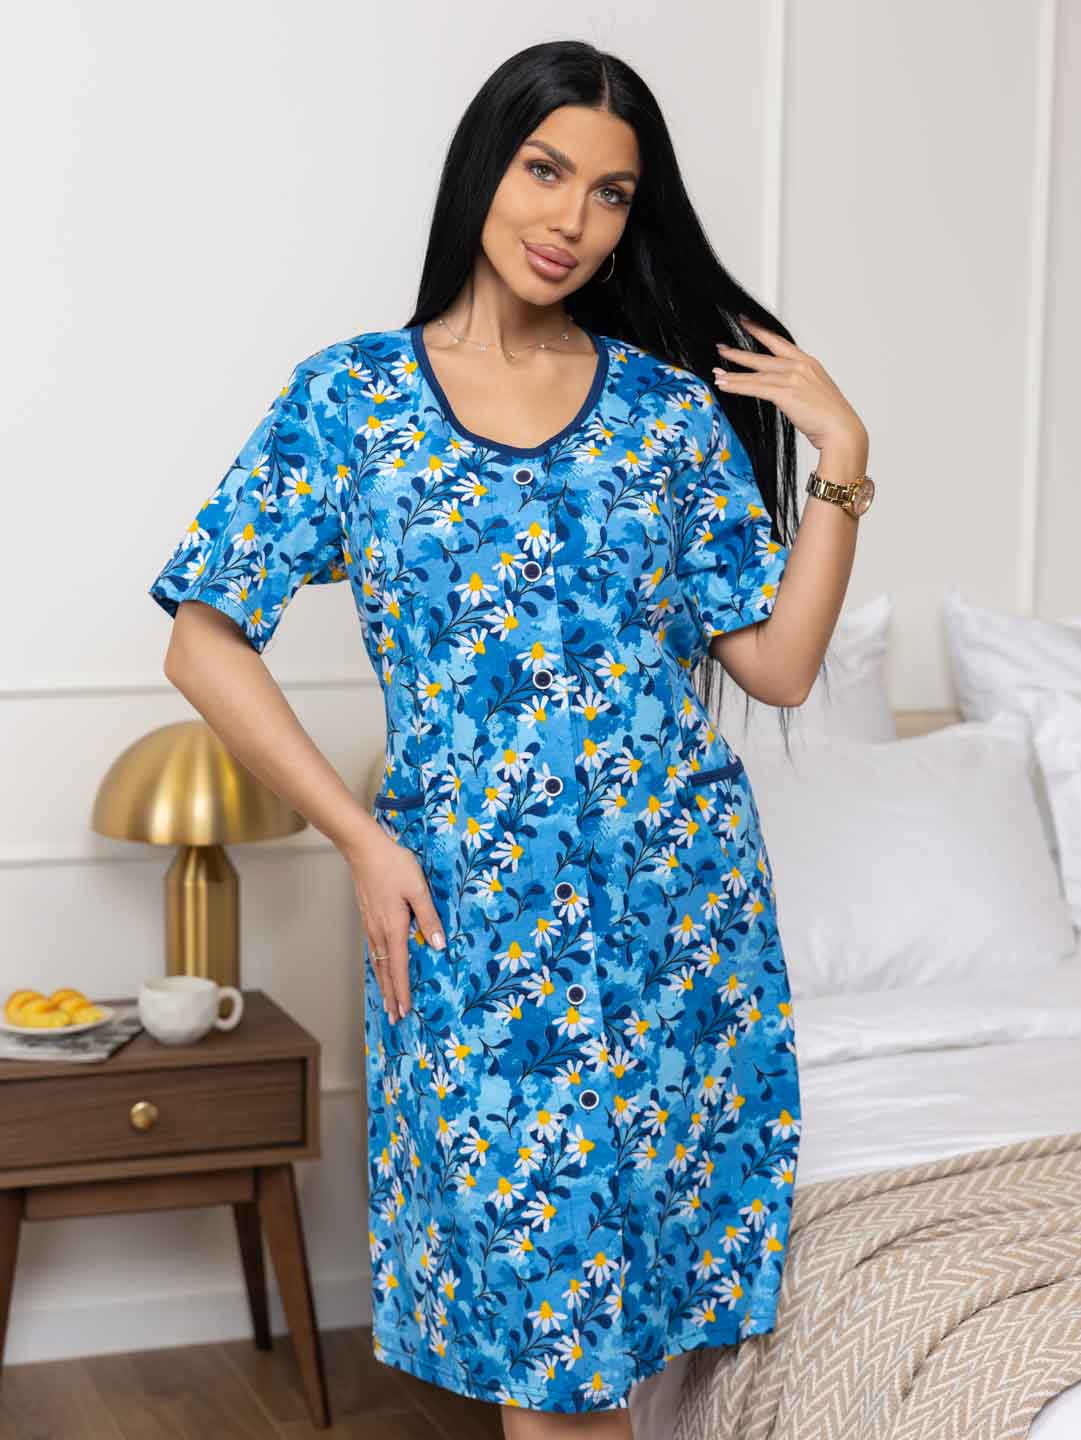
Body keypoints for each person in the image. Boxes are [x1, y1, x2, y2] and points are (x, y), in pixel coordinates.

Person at [149, 37, 871, 1439]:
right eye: (545, 170)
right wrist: (361, 841)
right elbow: (201, 640)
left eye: (610, 194)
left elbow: (779, 668)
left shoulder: (666, 413)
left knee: (624, 1344)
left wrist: (841, 458)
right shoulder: (351, 400)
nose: (570, 220)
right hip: (470, 922)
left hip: (681, 922)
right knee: (551, 1352)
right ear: (484, 166)